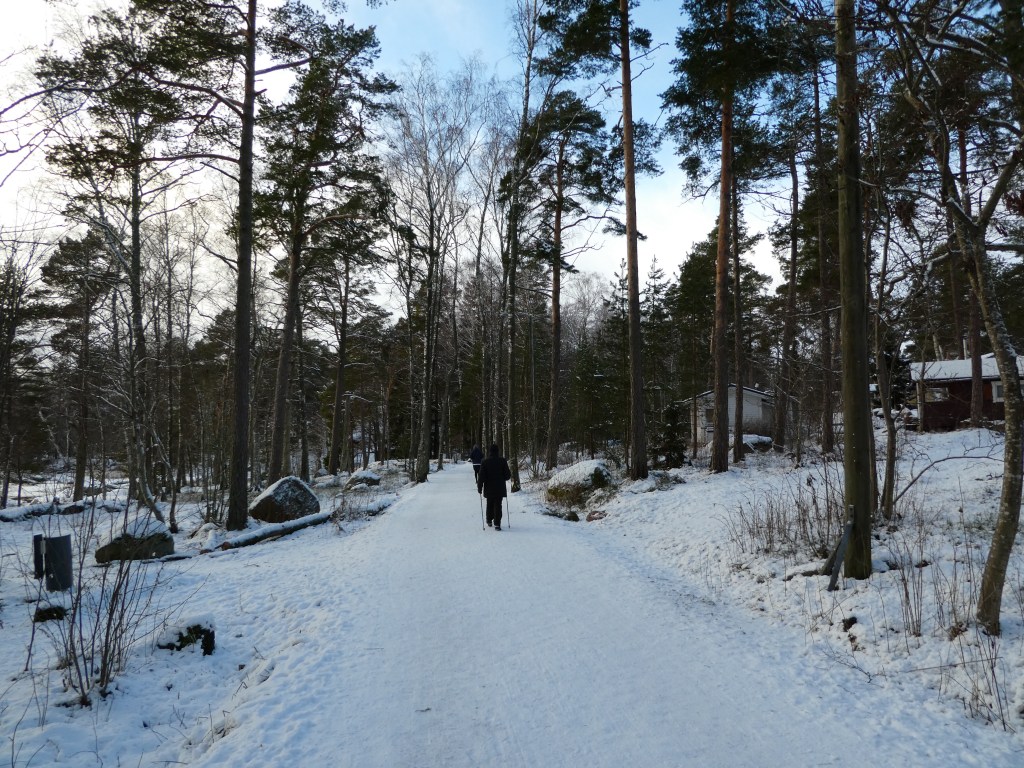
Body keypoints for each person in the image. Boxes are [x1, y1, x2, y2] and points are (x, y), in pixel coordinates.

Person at [477, 443, 511, 530]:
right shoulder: (502, 461)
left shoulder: (485, 462)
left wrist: (479, 487)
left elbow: (481, 476)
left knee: (489, 503)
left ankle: (489, 520)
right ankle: (497, 524)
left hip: (489, 487)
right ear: (497, 451)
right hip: (500, 487)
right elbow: (507, 476)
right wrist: (503, 477)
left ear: (490, 452)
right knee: (498, 505)